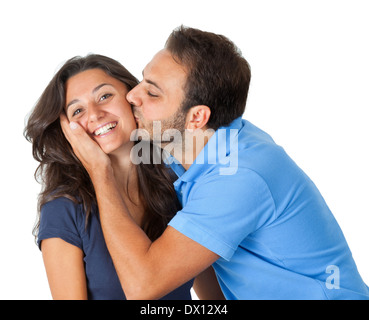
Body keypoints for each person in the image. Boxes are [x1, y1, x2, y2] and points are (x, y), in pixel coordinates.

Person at [60, 26, 369, 300]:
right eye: (142, 80)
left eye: (153, 93)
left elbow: (143, 286)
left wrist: (99, 170)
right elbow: (204, 269)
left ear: (197, 117)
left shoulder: (240, 175)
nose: (133, 96)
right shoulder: (191, 148)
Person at [24, 54, 222, 300]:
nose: (95, 114)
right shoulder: (63, 208)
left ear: (133, 98)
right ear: (68, 130)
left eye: (105, 96)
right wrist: (100, 169)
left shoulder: (177, 182)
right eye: (78, 111)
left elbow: (212, 296)